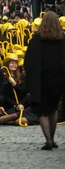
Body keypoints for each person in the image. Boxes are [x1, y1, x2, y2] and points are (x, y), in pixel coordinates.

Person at [24, 11, 65, 150]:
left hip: (41, 79)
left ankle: (48, 139)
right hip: (58, 79)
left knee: (41, 110)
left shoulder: (37, 39)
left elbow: (29, 60)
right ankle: (52, 139)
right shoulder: (62, 39)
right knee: (53, 109)